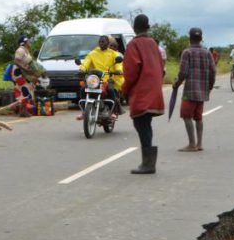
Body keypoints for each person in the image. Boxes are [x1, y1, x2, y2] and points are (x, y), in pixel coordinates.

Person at [122, 14, 164, 174]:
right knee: (145, 124)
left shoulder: (134, 44)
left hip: (141, 92)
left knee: (141, 124)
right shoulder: (153, 43)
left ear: (134, 28)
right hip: (154, 90)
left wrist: (125, 90)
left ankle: (148, 164)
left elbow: (131, 72)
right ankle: (148, 161)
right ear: (148, 27)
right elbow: (161, 66)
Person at [173, 27, 215, 152]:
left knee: (186, 116)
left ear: (190, 38)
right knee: (198, 117)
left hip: (190, 91)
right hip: (202, 91)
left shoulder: (187, 52)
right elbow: (213, 71)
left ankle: (192, 144)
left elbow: (183, 72)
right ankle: (199, 144)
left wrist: (176, 84)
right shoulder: (207, 53)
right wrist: (209, 87)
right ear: (201, 38)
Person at [78, 35, 123, 118]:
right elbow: (85, 63)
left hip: (108, 79)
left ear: (108, 43)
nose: (101, 43)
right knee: (82, 89)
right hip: (94, 79)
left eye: (103, 42)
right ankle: (84, 111)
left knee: (111, 90)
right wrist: (82, 69)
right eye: (100, 42)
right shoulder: (92, 53)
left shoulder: (114, 54)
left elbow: (119, 65)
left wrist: (118, 70)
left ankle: (112, 111)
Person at [13, 35, 46, 117]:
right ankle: (23, 111)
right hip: (19, 73)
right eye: (28, 41)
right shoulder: (20, 50)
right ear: (24, 42)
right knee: (25, 90)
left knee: (26, 90)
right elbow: (16, 61)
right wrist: (25, 68)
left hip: (24, 72)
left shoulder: (26, 50)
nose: (29, 42)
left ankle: (23, 111)